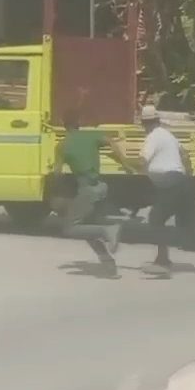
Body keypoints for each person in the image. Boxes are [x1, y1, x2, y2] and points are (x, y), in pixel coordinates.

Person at [130, 105, 195, 277]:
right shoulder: (168, 135)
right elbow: (185, 154)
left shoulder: (153, 137)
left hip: (172, 185)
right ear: (158, 120)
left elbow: (142, 161)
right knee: (190, 226)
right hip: (183, 182)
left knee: (155, 219)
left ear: (145, 124)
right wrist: (187, 175)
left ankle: (163, 262)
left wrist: (125, 162)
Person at [55, 109, 132, 279]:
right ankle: (109, 265)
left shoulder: (62, 145)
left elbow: (57, 174)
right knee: (88, 229)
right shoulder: (92, 136)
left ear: (64, 125)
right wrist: (124, 163)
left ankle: (108, 230)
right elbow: (111, 142)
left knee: (70, 228)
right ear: (79, 125)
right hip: (101, 188)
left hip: (87, 190)